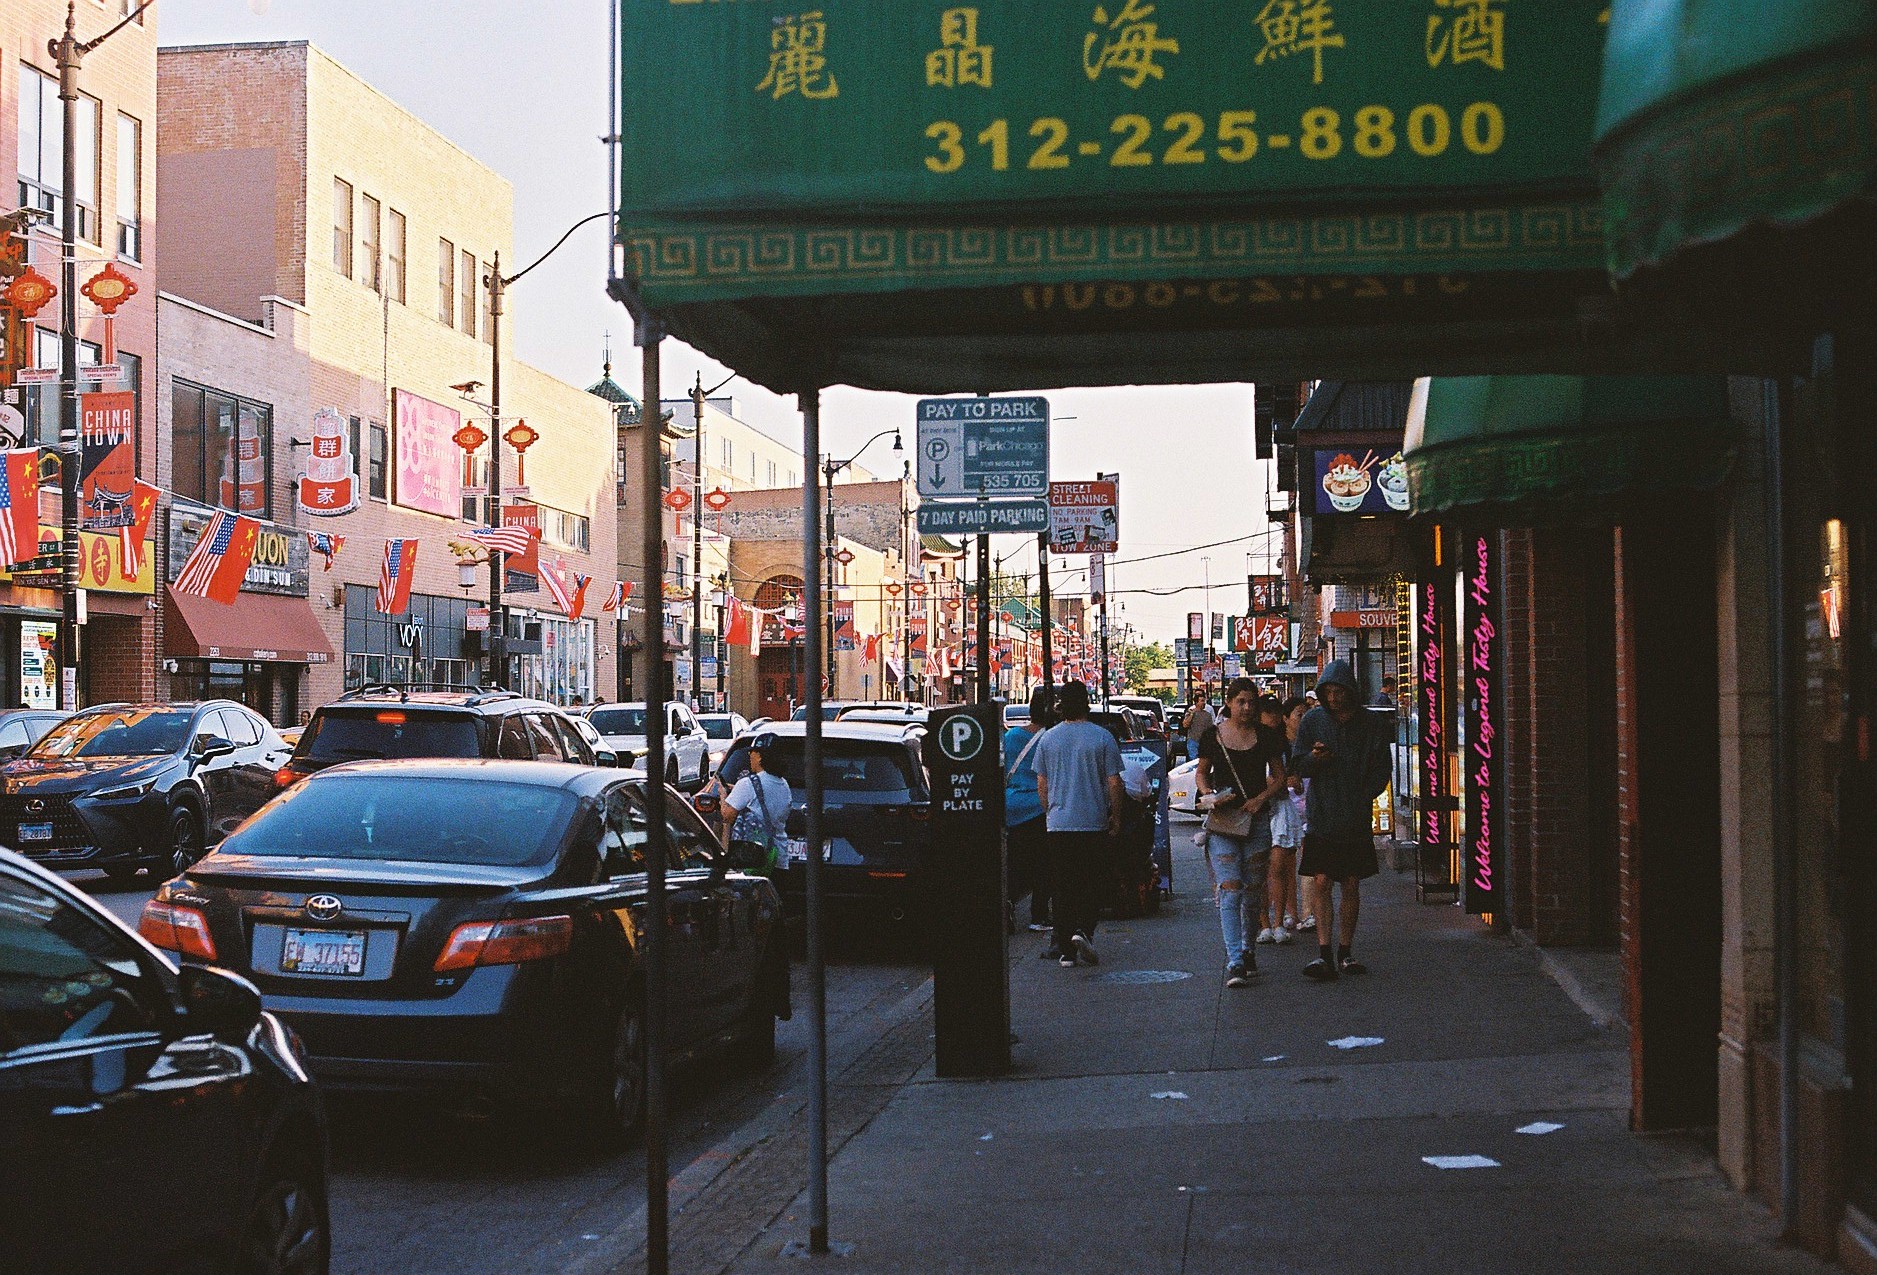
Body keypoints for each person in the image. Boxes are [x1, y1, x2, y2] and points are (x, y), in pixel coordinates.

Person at [1291, 661, 1394, 980]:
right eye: (1329, 692)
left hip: (1354, 815)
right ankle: (1324, 952)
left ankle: (1345, 951)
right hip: (1322, 813)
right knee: (1321, 880)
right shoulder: (1313, 720)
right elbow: (1298, 765)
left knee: (1350, 881)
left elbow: (1382, 767)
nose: (1334, 698)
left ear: (1350, 691)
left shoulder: (1369, 724)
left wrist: (1365, 795)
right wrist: (1315, 759)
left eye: (1339, 692)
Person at [1196, 678, 1287, 987]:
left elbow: (1279, 777)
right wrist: (1208, 793)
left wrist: (1260, 798)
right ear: (1229, 703)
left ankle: (1248, 949)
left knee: (1251, 891)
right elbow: (1201, 772)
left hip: (1257, 821)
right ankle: (1234, 959)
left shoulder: (1267, 736)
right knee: (1230, 888)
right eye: (1241, 702)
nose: (1247, 708)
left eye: (1251, 702)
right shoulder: (1212, 736)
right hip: (1223, 821)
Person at [1032, 680, 1124, 969]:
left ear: (1061, 706)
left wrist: (1051, 810)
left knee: (1062, 886)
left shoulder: (1048, 739)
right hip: (1092, 821)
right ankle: (1083, 930)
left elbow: (1041, 782)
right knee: (1091, 882)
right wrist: (1116, 817)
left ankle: (1065, 950)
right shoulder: (1102, 737)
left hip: (1058, 824)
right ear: (1087, 703)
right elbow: (1114, 782)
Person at [1005, 686, 1054, 938]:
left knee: (1014, 863)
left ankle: (1008, 905)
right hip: (1039, 807)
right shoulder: (1051, 739)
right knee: (1043, 864)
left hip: (1011, 806)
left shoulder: (1011, 737)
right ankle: (1039, 915)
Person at [1258, 695, 1301, 944]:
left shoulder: (1283, 746)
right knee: (1261, 870)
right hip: (1259, 809)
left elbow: (1288, 779)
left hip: (1280, 810)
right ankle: (1264, 923)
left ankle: (1277, 922)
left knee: (1278, 868)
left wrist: (1290, 782)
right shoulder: (1249, 741)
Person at [719, 732, 790, 877]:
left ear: (760, 756)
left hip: (753, 860)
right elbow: (763, 796)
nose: (749, 755)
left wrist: (723, 796)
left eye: (752, 751)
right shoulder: (784, 784)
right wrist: (737, 789)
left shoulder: (747, 784)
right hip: (778, 858)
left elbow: (727, 816)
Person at [1279, 696, 1315, 933]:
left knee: (1310, 861)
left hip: (1311, 806)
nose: (1302, 719)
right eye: (1298, 715)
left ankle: (1309, 913)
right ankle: (1290, 913)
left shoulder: (1313, 742)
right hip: (1286, 806)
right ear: (1286, 719)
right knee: (1287, 862)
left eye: (1305, 714)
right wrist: (1288, 780)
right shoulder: (1279, 746)